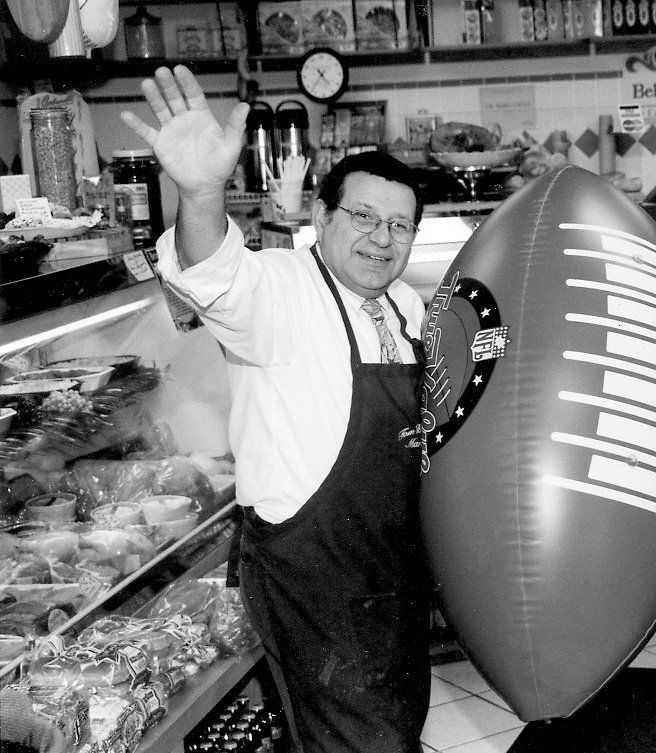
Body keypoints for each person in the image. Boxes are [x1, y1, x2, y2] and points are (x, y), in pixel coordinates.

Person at [122, 66, 431, 753]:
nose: (382, 239)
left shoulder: (405, 306)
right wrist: (200, 192)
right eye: (363, 217)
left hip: (391, 563)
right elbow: (215, 272)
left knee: (397, 721)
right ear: (320, 216)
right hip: (310, 569)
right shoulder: (280, 289)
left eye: (399, 225)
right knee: (360, 740)